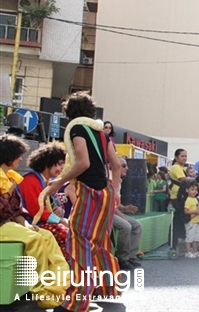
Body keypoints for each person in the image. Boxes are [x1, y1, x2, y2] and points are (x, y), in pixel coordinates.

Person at [45, 91, 122, 311]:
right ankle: (106, 288)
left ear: (69, 112)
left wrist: (59, 181)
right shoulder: (102, 133)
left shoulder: (77, 129)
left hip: (89, 192)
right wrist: (115, 191)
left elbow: (83, 162)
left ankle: (77, 300)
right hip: (107, 192)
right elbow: (116, 166)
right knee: (100, 242)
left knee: (79, 242)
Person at [0, 135, 69, 310]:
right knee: (37, 239)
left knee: (45, 235)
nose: (21, 159)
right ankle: (39, 291)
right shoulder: (25, 180)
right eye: (18, 155)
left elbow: (16, 210)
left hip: (11, 223)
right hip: (2, 225)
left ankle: (57, 286)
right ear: (9, 156)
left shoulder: (11, 178)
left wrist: (27, 225)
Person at [17, 143, 69, 259]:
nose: (62, 168)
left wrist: (58, 210)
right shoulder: (30, 181)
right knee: (67, 234)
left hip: (40, 223)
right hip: (32, 224)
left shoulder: (46, 181)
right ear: (47, 163)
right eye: (59, 164)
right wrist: (59, 220)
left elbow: (48, 207)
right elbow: (36, 210)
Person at [113, 157, 143, 270]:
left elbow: (116, 204)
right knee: (126, 226)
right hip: (106, 213)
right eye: (124, 166)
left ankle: (131, 256)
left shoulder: (118, 181)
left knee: (137, 225)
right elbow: (110, 205)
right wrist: (122, 215)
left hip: (114, 212)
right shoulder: (110, 181)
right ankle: (122, 259)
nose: (127, 168)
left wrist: (125, 208)